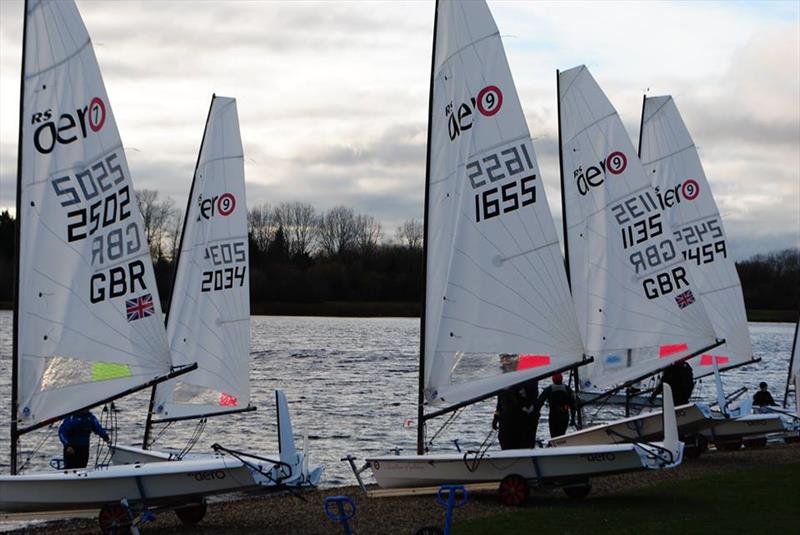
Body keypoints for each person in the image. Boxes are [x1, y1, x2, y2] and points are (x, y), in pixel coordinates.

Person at [492, 354, 538, 449]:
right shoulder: (503, 378)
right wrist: (496, 415)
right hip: (506, 418)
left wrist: (524, 406)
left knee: (524, 445)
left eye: (506, 360)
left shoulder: (528, 376)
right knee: (504, 441)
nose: (503, 363)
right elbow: (500, 399)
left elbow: (532, 397)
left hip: (523, 419)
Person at [534, 373, 576, 439]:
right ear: (561, 379)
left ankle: (555, 446)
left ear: (553, 380)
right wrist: (573, 419)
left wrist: (536, 413)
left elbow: (540, 402)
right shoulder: (568, 389)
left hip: (554, 416)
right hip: (564, 416)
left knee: (554, 436)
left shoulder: (549, 389)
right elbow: (573, 405)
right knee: (562, 435)